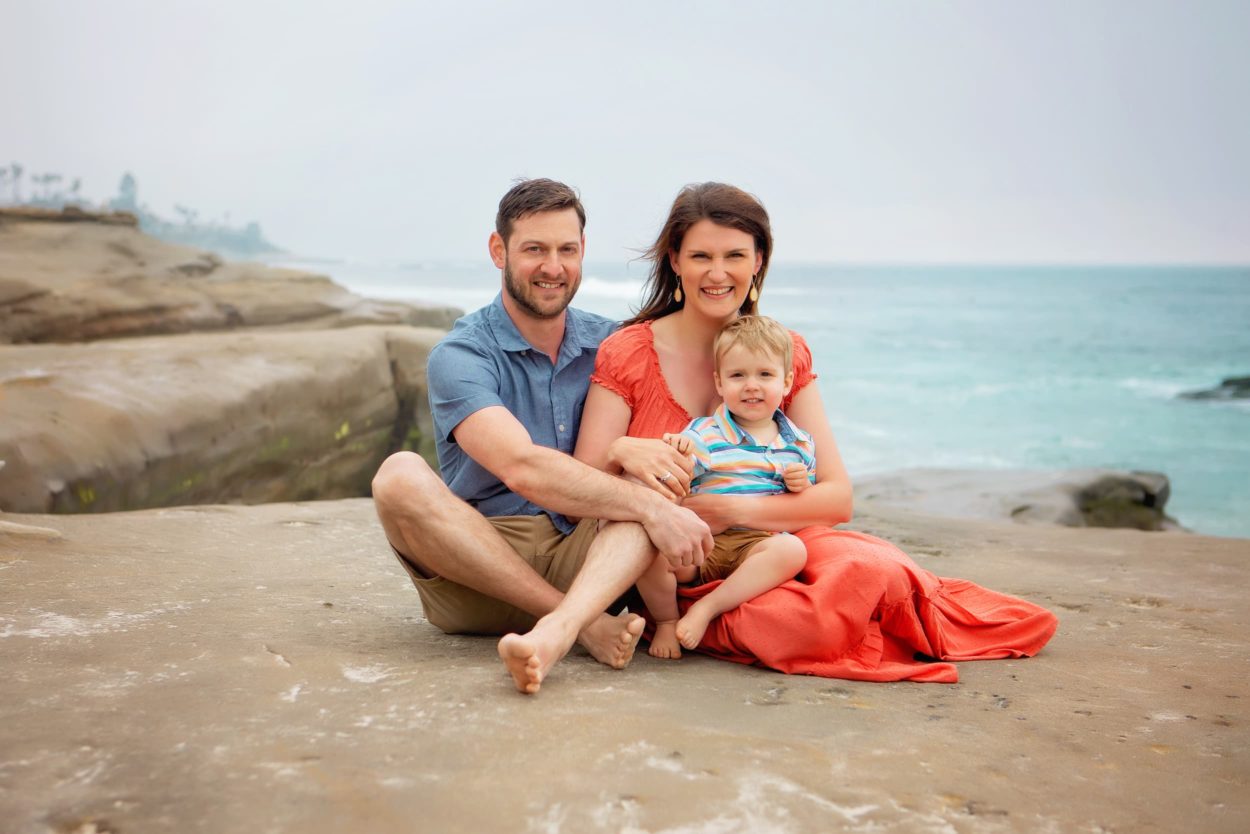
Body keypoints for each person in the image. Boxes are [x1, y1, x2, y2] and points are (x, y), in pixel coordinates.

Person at [574, 182, 1058, 683]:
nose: (718, 274)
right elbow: (582, 482)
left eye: (735, 255)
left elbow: (836, 498)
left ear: (758, 260)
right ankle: (701, 622)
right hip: (679, 563)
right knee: (794, 622)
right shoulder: (628, 352)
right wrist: (623, 448)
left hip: (775, 548)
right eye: (701, 256)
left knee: (877, 575)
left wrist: (731, 510)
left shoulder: (785, 354)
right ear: (675, 260)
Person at [371, 178, 712, 695]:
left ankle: (557, 629)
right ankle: (579, 626)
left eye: (566, 250)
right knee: (398, 474)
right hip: (479, 568)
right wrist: (650, 510)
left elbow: (705, 375)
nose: (553, 267)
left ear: (582, 253)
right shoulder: (462, 354)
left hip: (589, 564)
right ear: (498, 250)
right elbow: (520, 466)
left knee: (649, 499)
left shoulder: (614, 343)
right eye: (534, 249)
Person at [637, 315, 814, 659]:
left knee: (792, 550)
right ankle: (667, 621)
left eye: (765, 375)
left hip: (755, 543)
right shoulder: (706, 434)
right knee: (650, 554)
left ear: (788, 381)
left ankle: (708, 608)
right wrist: (678, 448)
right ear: (719, 383)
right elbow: (681, 466)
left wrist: (801, 483)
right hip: (703, 540)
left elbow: (803, 490)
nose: (751, 385)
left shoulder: (799, 442)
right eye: (738, 375)